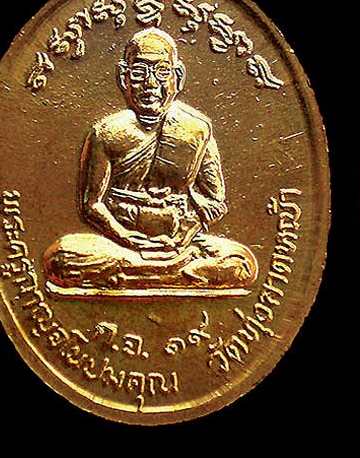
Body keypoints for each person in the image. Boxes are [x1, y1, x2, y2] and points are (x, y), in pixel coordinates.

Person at [43, 27, 258, 293]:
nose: (151, 83)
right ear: (123, 77)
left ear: (178, 77)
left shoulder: (197, 130)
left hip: (181, 243)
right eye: (139, 72)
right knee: (61, 257)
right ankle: (174, 275)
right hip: (120, 244)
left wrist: (185, 234)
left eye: (162, 72)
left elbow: (215, 201)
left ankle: (132, 276)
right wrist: (126, 237)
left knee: (241, 263)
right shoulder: (106, 133)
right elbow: (92, 204)